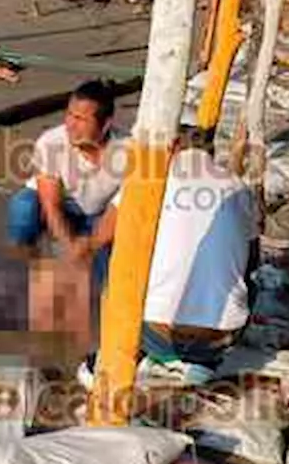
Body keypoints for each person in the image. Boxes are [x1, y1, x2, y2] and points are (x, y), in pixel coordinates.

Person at [76, 131, 259, 387]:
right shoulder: (239, 186)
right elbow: (252, 262)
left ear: (171, 148)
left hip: (156, 333)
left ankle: (115, 355)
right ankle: (199, 364)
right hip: (220, 338)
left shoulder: (150, 179)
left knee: (109, 256)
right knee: (250, 280)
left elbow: (101, 236)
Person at [7, 82, 124, 286]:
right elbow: (51, 205)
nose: (70, 124)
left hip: (100, 213)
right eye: (69, 114)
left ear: (105, 124)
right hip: (62, 204)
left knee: (104, 281)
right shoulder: (51, 142)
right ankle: (25, 257)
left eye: (80, 119)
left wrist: (93, 244)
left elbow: (120, 207)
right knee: (23, 207)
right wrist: (69, 245)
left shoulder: (127, 151)